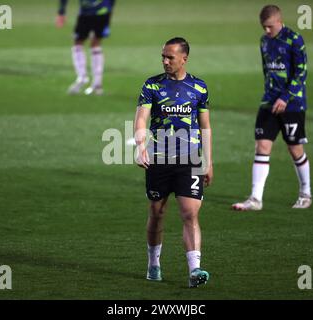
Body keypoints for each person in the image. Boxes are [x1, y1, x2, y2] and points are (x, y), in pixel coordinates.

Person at [134, 37, 213, 288]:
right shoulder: (152, 86)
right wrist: (140, 146)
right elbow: (141, 120)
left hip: (190, 158)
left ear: (184, 58)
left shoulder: (199, 88)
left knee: (190, 213)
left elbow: (205, 127)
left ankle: (194, 269)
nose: (165, 61)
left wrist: (209, 161)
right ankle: (153, 263)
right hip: (159, 159)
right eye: (163, 57)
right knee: (157, 213)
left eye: (170, 57)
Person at [232, 5, 312, 211]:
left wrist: (285, 97)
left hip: (292, 104)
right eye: (263, 27)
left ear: (279, 20)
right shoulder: (264, 41)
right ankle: (255, 199)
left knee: (295, 149)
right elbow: (266, 70)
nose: (266, 30)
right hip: (269, 102)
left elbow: (301, 73)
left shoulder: (295, 39)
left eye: (269, 26)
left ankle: (306, 193)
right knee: (262, 146)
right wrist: (271, 95)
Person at [56, 0, 115, 95]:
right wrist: (110, 10)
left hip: (87, 12)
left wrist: (61, 11)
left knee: (78, 43)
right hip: (103, 11)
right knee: (95, 43)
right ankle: (97, 84)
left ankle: (82, 77)